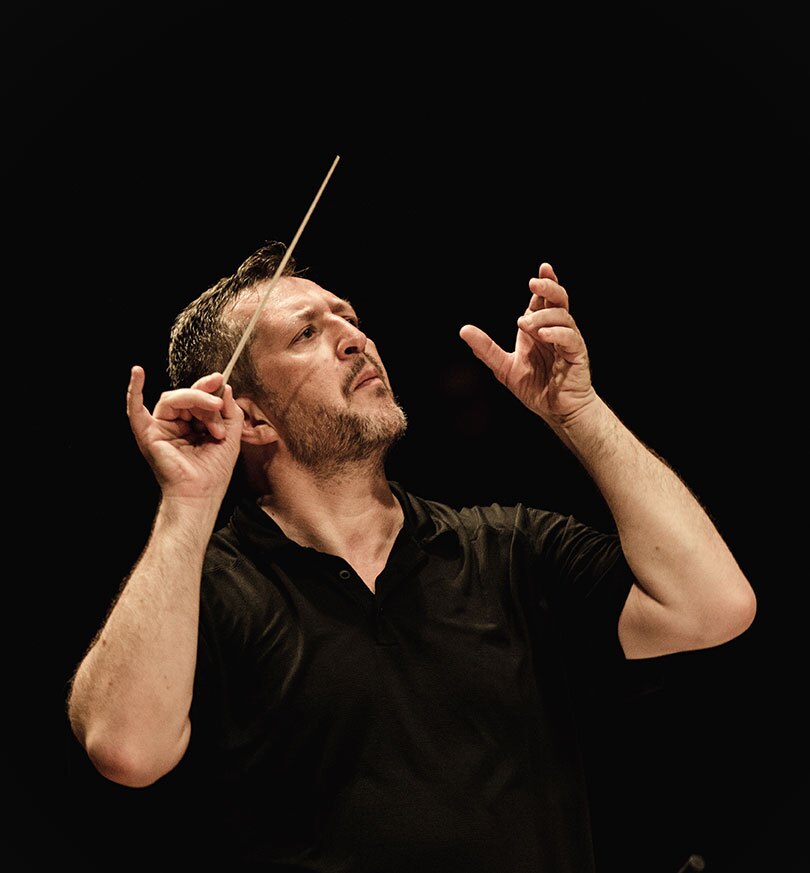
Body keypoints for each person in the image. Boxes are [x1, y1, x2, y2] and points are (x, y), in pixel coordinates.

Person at [66, 240, 756, 872]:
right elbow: (125, 748)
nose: (355, 339)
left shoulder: (506, 549)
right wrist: (186, 505)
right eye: (308, 332)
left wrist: (578, 412)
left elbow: (713, 606)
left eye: (350, 318)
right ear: (249, 416)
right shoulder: (210, 592)